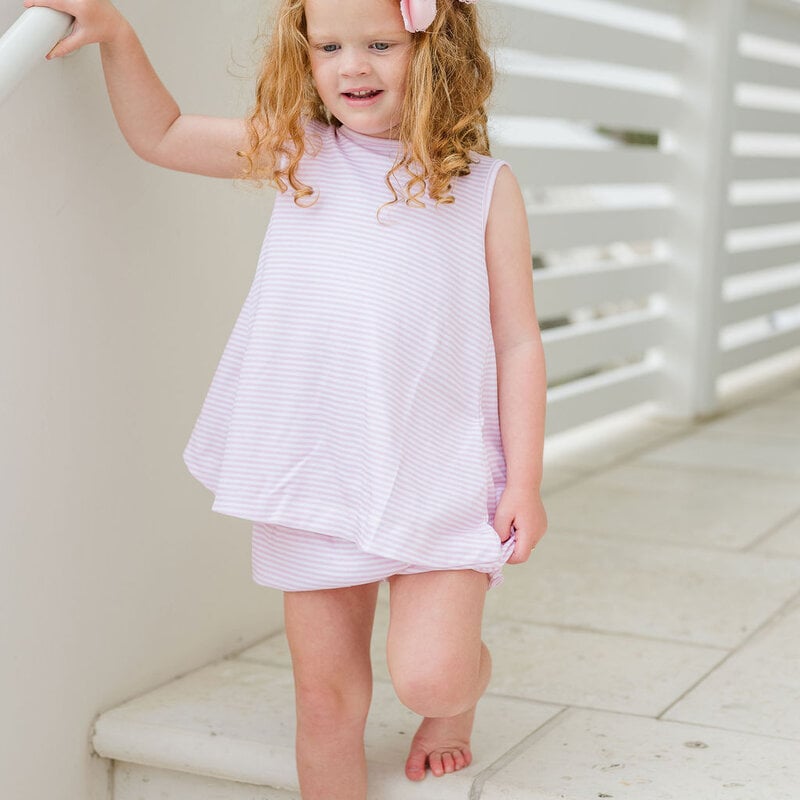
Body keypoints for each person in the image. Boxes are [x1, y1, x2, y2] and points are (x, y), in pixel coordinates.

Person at [28, 0, 548, 795]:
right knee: (324, 700)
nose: (352, 66)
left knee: (433, 677)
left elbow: (517, 341)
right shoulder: (299, 152)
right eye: (329, 46)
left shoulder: (484, 188)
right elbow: (162, 134)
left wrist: (524, 481)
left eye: (380, 44)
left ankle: (460, 697)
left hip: (436, 466)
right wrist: (118, 36)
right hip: (314, 470)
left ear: (434, 49)